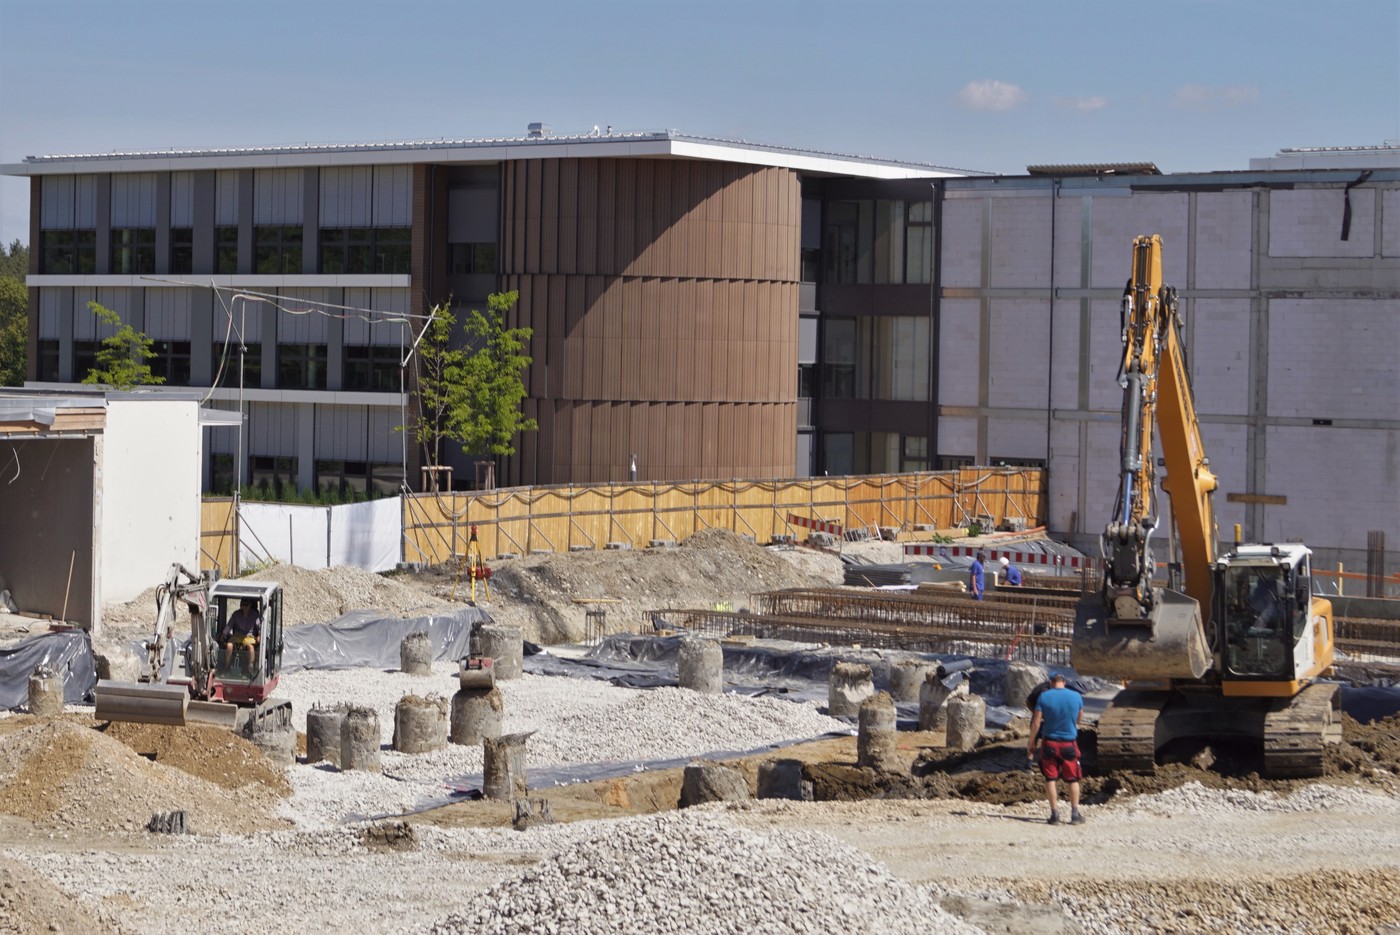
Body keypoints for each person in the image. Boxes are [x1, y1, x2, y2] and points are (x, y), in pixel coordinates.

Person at [1027, 672, 1085, 825]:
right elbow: (1079, 718)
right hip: (1069, 744)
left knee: (1050, 779)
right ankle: (1075, 815)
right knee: (1073, 780)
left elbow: (1036, 723)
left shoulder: (1044, 697)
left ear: (1051, 682)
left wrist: (1031, 742)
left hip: (1049, 744)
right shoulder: (1076, 696)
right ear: (1064, 682)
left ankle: (1054, 815)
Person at [221, 598, 262, 674]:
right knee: (229, 645)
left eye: (246, 605)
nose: (244, 607)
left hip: (249, 637)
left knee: (250, 647)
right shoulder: (236, 614)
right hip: (237, 636)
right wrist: (223, 635)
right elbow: (229, 626)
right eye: (242, 605)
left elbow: (260, 628)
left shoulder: (255, 616)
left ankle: (250, 668)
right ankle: (227, 667)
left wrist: (259, 635)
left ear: (250, 606)